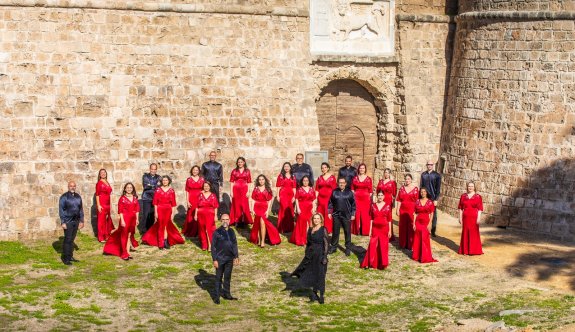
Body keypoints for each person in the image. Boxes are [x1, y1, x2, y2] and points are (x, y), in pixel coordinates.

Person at [290, 213, 329, 304]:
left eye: (317, 218)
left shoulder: (323, 229)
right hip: (311, 255)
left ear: (321, 220)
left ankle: (321, 296)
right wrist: (307, 254)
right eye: (314, 218)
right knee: (312, 273)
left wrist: (324, 257)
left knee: (320, 275)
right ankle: (314, 294)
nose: (316, 220)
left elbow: (326, 244)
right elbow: (308, 243)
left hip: (320, 255)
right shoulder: (310, 230)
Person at [141, 175, 184, 249]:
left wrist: (172, 214)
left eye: (166, 180)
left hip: (168, 210)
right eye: (163, 180)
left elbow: (173, 204)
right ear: (161, 181)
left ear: (169, 181)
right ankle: (161, 243)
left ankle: (166, 241)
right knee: (161, 226)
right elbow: (155, 203)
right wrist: (156, 213)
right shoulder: (158, 190)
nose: (164, 181)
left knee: (166, 226)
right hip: (160, 209)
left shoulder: (171, 191)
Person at [103, 183, 140, 260]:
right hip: (125, 219)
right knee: (124, 236)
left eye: (130, 187)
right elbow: (120, 211)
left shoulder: (135, 198)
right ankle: (124, 253)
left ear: (132, 189)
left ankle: (128, 253)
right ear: (125, 189)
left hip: (133, 219)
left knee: (129, 235)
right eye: (127, 187)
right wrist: (122, 220)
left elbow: (137, 210)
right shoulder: (122, 198)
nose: (129, 189)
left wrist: (137, 219)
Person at [211, 214, 239, 304]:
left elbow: (234, 244)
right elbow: (213, 247)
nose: (225, 221)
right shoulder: (217, 232)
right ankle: (217, 297)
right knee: (218, 278)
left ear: (229, 220)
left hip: (229, 259)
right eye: (223, 219)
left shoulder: (232, 231)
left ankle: (227, 294)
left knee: (227, 277)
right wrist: (214, 259)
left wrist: (236, 256)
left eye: (227, 219)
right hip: (220, 259)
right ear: (220, 220)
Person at [360, 191, 391, 270]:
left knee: (383, 246)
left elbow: (389, 220)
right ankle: (370, 262)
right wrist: (370, 230)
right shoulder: (373, 206)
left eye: (381, 195)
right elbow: (371, 219)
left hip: (384, 228)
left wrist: (390, 231)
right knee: (372, 244)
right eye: (379, 195)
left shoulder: (387, 206)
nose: (380, 197)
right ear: (377, 196)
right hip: (375, 228)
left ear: (384, 196)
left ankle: (383, 264)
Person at [250, 175, 281, 247]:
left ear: (265, 180)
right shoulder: (256, 189)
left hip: (264, 207)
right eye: (260, 179)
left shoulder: (268, 189)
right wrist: (252, 209)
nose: (261, 181)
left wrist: (268, 210)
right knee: (257, 224)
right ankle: (259, 240)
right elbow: (253, 199)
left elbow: (269, 200)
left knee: (262, 223)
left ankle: (263, 241)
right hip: (256, 207)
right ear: (258, 181)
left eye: (262, 179)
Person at [58, 181, 85, 265]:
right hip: (68, 222)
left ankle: (70, 256)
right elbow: (61, 210)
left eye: (74, 186)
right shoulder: (64, 197)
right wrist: (63, 222)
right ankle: (65, 258)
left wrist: (81, 220)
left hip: (76, 221)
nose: (72, 187)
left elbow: (80, 209)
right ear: (68, 187)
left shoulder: (78, 197)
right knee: (68, 239)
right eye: (71, 186)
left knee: (72, 239)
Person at [328, 177, 356, 256]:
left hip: (346, 215)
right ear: (338, 183)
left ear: (345, 183)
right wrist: (329, 212)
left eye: (343, 182)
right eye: (340, 182)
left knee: (347, 232)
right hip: (336, 214)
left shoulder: (349, 192)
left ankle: (347, 248)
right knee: (335, 231)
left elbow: (353, 204)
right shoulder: (334, 192)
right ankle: (333, 247)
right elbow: (330, 203)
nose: (341, 184)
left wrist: (353, 214)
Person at [412, 187, 437, 263]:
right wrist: (413, 223)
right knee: (417, 239)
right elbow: (415, 213)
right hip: (418, 222)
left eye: (424, 191)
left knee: (425, 239)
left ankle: (425, 256)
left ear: (426, 193)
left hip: (426, 222)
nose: (422, 193)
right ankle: (417, 256)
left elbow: (432, 213)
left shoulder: (430, 202)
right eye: (421, 192)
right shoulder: (417, 202)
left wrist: (430, 224)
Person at [458, 182, 484, 255]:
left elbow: (480, 209)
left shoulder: (478, 197)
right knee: (465, 232)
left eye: (472, 186)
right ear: (467, 187)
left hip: (474, 218)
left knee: (474, 233)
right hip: (465, 218)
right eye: (469, 186)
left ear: (474, 187)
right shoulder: (463, 196)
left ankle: (473, 251)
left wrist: (478, 218)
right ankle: (465, 250)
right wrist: (460, 217)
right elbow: (460, 208)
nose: (470, 187)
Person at [290, 176, 317, 246]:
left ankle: (308, 239)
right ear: (302, 181)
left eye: (307, 180)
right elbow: (296, 199)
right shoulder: (299, 189)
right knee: (301, 223)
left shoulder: (311, 189)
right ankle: (301, 239)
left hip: (309, 208)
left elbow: (314, 199)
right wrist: (298, 208)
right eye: (304, 180)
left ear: (309, 181)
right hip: (302, 208)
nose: (305, 182)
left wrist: (314, 207)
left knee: (309, 223)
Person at [396, 174, 418, 250]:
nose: (407, 180)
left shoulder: (415, 189)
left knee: (411, 226)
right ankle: (403, 243)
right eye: (406, 179)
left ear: (411, 180)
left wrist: (416, 211)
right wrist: (397, 209)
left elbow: (417, 201)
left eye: (408, 179)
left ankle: (410, 244)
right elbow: (399, 200)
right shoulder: (402, 189)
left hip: (411, 210)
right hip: (403, 210)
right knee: (403, 226)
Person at [229, 157, 253, 226]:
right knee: (236, 205)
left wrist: (248, 191)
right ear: (237, 163)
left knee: (244, 205)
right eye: (239, 162)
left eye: (241, 162)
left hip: (244, 190)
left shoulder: (247, 171)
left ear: (244, 162)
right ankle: (236, 221)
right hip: (235, 190)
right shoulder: (234, 171)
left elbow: (249, 182)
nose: (240, 163)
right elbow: (231, 181)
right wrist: (231, 191)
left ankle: (244, 220)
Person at [195, 182, 219, 251]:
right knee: (202, 229)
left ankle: (211, 245)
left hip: (210, 214)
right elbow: (196, 206)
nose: (206, 187)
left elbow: (216, 207)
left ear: (210, 187)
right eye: (205, 186)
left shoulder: (213, 195)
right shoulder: (200, 195)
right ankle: (204, 245)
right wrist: (195, 215)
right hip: (201, 214)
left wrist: (216, 216)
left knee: (209, 229)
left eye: (207, 186)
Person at [420, 160, 441, 236]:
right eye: (428, 164)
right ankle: (424, 228)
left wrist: (436, 199)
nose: (429, 166)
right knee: (423, 213)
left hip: (432, 197)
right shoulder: (423, 175)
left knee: (433, 214)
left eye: (431, 164)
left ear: (433, 165)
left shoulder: (437, 175)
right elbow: (421, 186)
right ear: (426, 165)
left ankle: (433, 231)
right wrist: (420, 197)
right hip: (424, 197)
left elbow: (438, 188)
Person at [351, 163, 373, 236]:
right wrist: (354, 197)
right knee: (356, 214)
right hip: (356, 199)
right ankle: (356, 230)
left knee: (365, 215)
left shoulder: (369, 179)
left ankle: (365, 231)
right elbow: (352, 189)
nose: (361, 169)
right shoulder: (355, 178)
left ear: (365, 169)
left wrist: (368, 198)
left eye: (363, 168)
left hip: (366, 199)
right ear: (358, 169)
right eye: (360, 168)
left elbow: (370, 191)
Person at [315, 162, 337, 234]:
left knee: (328, 213)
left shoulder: (332, 177)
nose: (323, 169)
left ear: (328, 168)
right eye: (322, 168)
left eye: (325, 167)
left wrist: (334, 199)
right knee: (320, 213)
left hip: (329, 198)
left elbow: (334, 189)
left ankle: (328, 229)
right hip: (320, 198)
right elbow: (317, 189)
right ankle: (320, 227)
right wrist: (315, 198)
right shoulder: (319, 178)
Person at [183, 165, 204, 238]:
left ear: (199, 171)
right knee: (190, 214)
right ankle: (190, 230)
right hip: (191, 198)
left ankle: (198, 230)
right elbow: (187, 191)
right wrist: (187, 201)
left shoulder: (202, 179)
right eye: (194, 170)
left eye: (196, 170)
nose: (195, 171)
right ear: (192, 170)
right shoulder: (188, 179)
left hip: (199, 198)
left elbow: (203, 190)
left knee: (199, 213)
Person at [376, 168, 397, 240]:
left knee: (388, 216)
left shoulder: (392, 182)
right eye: (385, 172)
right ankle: (381, 232)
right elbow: (377, 191)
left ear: (390, 174)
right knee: (380, 215)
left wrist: (393, 203)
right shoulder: (381, 181)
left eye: (388, 173)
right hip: (381, 199)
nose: (386, 174)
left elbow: (394, 194)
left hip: (388, 200)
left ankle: (389, 234)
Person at [276, 162, 297, 233]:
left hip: (290, 195)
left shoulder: (293, 176)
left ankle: (289, 228)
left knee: (290, 210)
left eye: (288, 166)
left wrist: (294, 196)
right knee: (283, 209)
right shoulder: (281, 176)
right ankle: (282, 228)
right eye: (285, 166)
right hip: (283, 194)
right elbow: (278, 187)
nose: (286, 168)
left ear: (290, 167)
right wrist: (278, 196)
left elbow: (294, 187)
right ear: (283, 167)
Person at [95, 168, 114, 242]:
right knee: (101, 221)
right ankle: (101, 237)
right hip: (102, 204)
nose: (103, 173)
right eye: (101, 173)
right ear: (99, 175)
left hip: (108, 204)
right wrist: (98, 205)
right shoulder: (99, 183)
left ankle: (106, 236)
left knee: (107, 220)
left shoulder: (107, 182)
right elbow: (97, 195)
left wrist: (111, 204)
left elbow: (109, 195)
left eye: (104, 172)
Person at [141, 163, 161, 233]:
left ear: (156, 170)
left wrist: (150, 185)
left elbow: (159, 187)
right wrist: (155, 185)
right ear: (150, 169)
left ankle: (152, 231)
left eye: (155, 169)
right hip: (146, 198)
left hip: (155, 198)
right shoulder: (145, 176)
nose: (153, 170)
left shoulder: (159, 177)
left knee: (153, 214)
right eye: (152, 169)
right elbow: (145, 186)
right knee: (146, 214)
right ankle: (144, 231)